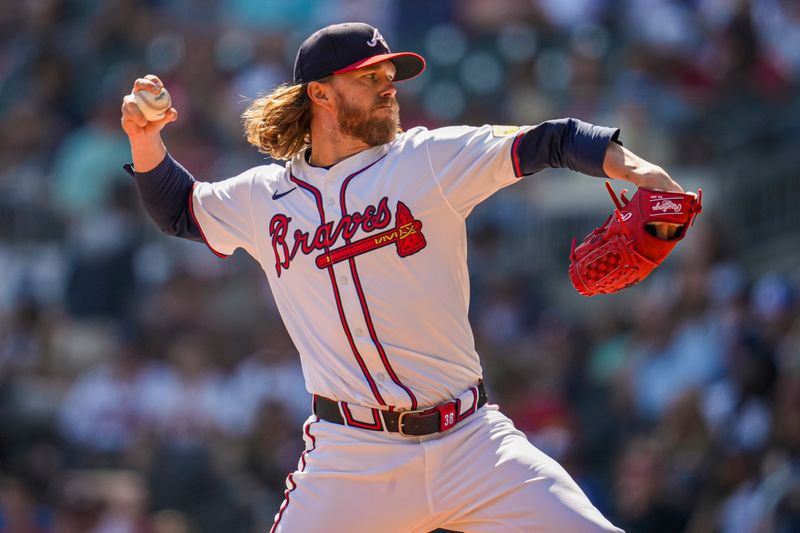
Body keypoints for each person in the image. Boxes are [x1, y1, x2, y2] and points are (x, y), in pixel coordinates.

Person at [121, 21, 686, 533]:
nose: (388, 84)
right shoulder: (262, 198)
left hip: (473, 444)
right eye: (369, 76)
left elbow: (551, 140)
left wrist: (640, 171)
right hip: (352, 458)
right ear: (319, 92)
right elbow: (178, 208)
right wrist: (146, 141)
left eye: (390, 73)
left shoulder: (428, 160)